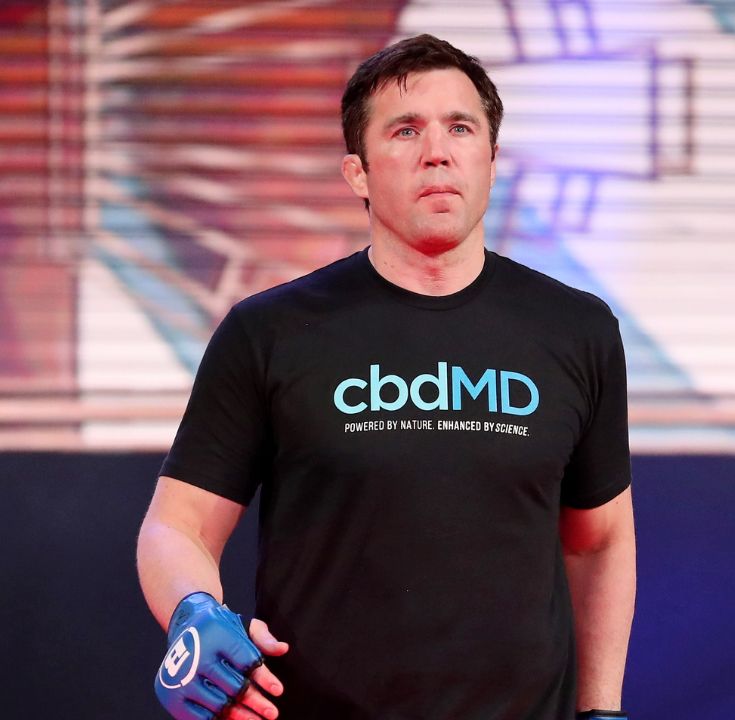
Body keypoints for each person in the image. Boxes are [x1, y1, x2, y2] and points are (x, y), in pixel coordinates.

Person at [137, 33, 635, 720]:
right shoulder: (270, 331)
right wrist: (194, 613)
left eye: (461, 127)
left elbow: (600, 538)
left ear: (491, 159)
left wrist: (601, 710)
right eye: (405, 130)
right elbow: (177, 526)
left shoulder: (577, 329)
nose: (437, 150)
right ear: (358, 173)